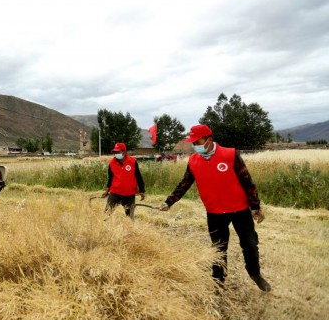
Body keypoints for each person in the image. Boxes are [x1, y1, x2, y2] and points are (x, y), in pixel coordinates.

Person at [159, 124, 271, 292]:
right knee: (218, 249)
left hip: (239, 210)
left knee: (250, 244)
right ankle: (218, 283)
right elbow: (184, 183)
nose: (194, 145)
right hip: (215, 213)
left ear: (209, 140)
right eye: (193, 142)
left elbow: (247, 181)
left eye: (198, 141)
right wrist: (169, 202)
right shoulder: (194, 161)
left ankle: (255, 274)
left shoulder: (230, 154)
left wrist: (255, 206)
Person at [102, 143, 146, 220]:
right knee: (106, 214)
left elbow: (138, 177)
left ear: (124, 152)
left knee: (130, 217)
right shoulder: (112, 163)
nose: (116, 154)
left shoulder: (132, 161)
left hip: (129, 194)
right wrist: (107, 191)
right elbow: (110, 178)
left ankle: (131, 230)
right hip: (115, 193)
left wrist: (142, 190)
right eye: (115, 152)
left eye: (118, 152)